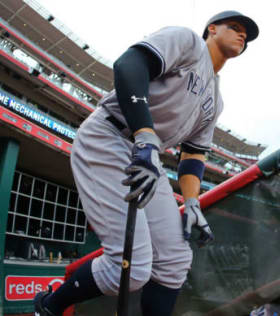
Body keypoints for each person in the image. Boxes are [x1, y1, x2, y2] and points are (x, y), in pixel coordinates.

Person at [34, 10, 259, 316]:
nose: (242, 35)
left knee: (175, 261)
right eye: (234, 27)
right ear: (212, 29)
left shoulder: (215, 99)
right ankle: (49, 306)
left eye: (246, 35)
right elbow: (129, 64)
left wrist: (192, 201)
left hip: (146, 153)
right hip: (110, 136)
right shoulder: (188, 42)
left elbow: (193, 153)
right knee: (132, 268)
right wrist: (145, 134)